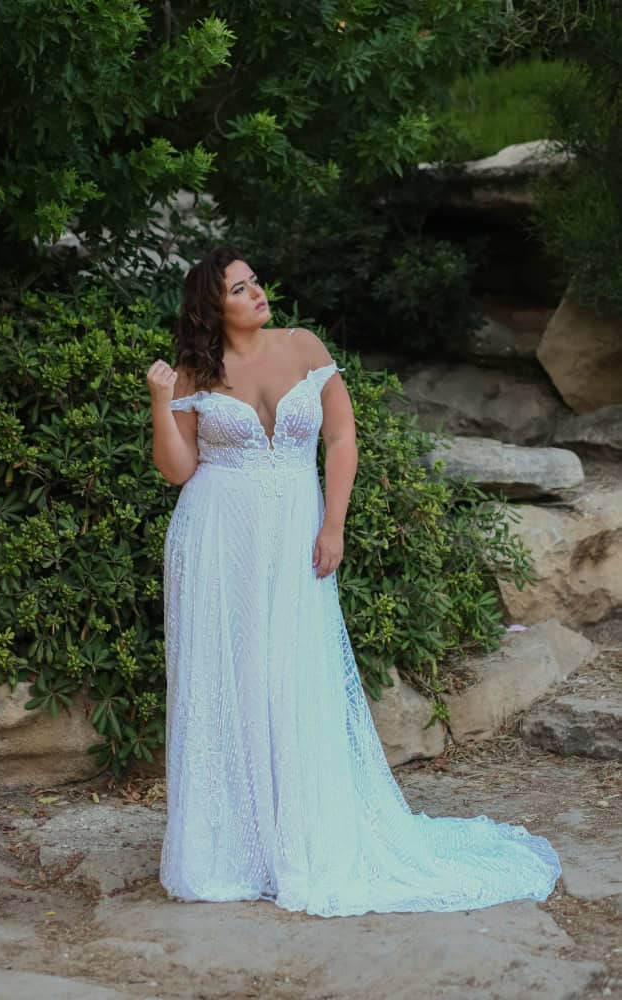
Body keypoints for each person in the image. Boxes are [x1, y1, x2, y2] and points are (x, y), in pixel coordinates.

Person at [146, 246, 561, 918]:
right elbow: (177, 470)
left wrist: (332, 524)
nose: (256, 293)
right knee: (232, 674)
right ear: (210, 308)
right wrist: (161, 403)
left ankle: (300, 832)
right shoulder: (196, 369)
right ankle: (232, 847)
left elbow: (340, 437)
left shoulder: (303, 345)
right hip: (220, 537)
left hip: (295, 529)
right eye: (239, 289)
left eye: (255, 282)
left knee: (293, 670)